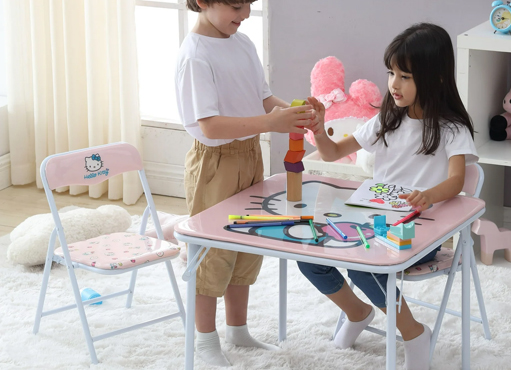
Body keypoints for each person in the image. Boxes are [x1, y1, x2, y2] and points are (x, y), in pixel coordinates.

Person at [299, 23, 478, 370]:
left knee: (367, 267)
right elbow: (334, 152)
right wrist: (319, 129)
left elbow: (457, 181)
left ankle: (413, 334)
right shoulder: (387, 119)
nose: (394, 83)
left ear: (435, 78)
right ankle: (357, 311)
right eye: (391, 73)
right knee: (308, 252)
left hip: (419, 231)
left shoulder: (451, 127)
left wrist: (428, 195)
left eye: (406, 76)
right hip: (372, 220)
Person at [175, 0, 317, 366]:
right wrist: (272, 123)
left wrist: (296, 114)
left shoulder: (242, 43)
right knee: (212, 251)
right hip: (215, 162)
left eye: (249, 5)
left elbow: (264, 100)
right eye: (236, 5)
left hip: (251, 152)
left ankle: (237, 328)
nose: (244, 14)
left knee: (248, 241)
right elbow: (209, 125)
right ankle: (205, 340)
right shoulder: (195, 55)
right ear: (204, 2)